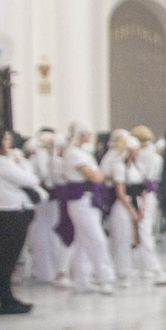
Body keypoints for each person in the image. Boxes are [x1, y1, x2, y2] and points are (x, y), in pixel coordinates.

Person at [0, 126, 44, 315]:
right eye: (5, 140)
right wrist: (19, 161)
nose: (9, 144)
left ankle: (5, 296)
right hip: (10, 213)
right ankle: (6, 299)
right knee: (7, 258)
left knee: (1, 257)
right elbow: (29, 179)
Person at [54, 125, 116, 295]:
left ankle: (83, 278)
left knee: (82, 241)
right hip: (80, 201)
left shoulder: (84, 153)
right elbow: (96, 176)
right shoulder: (73, 154)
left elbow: (98, 175)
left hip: (89, 199)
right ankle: (105, 277)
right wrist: (98, 174)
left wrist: (98, 174)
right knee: (97, 239)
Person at [130, 125, 166, 286]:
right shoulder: (150, 154)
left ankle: (146, 268)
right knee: (145, 231)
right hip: (145, 195)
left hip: (144, 194)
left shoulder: (140, 154)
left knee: (143, 231)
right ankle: (153, 268)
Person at [24, 128, 60, 285]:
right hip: (43, 200)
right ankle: (45, 271)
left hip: (49, 199)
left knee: (48, 233)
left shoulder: (50, 156)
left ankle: (49, 270)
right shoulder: (40, 157)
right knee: (42, 234)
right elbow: (45, 175)